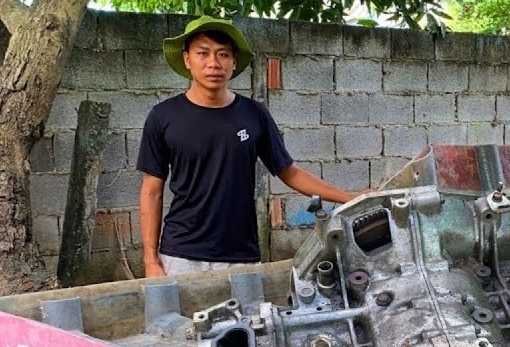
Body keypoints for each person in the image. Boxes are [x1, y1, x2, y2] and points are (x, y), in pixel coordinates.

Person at [137, 16, 360, 277]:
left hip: (240, 255)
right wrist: (151, 260)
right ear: (187, 59)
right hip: (180, 254)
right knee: (179, 320)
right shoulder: (163, 117)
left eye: (223, 55)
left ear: (233, 63)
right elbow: (151, 191)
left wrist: (352, 198)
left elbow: (290, 172)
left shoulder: (253, 114)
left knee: (249, 319)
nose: (213, 63)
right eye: (203, 53)